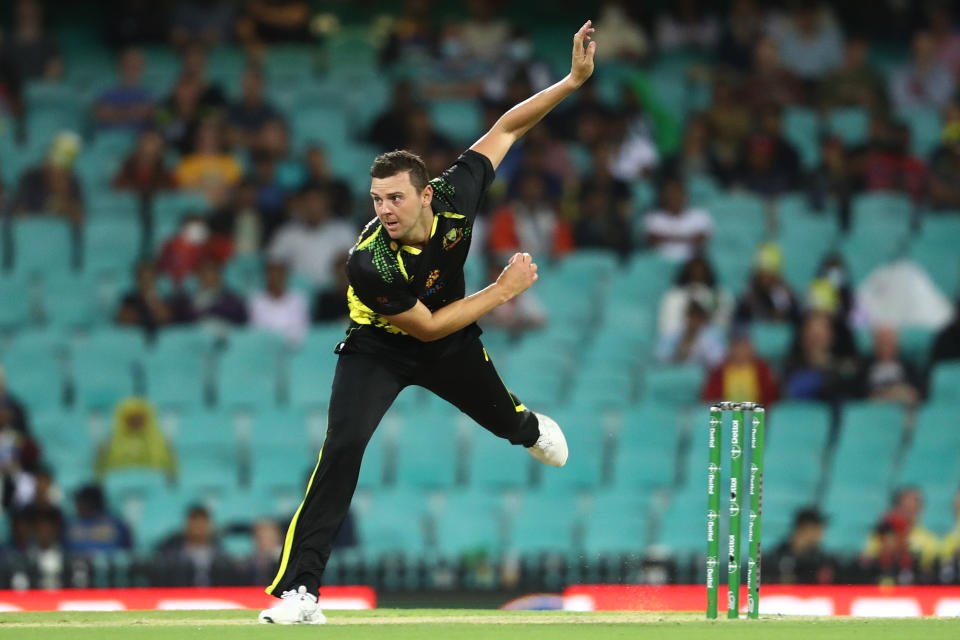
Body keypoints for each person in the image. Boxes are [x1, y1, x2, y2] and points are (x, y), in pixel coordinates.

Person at [258, 21, 596, 625]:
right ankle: (300, 593)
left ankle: (526, 426)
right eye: (376, 199)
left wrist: (571, 81)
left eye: (395, 198)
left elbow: (509, 127)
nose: (384, 210)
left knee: (509, 425)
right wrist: (502, 291)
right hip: (380, 348)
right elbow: (428, 327)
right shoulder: (370, 263)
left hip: (451, 343)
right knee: (342, 448)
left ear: (425, 196)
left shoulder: (457, 193)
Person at [267, 184, 357, 290]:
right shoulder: (286, 233)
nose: (312, 207)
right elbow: (273, 265)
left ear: (327, 203)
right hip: (298, 296)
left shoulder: (344, 231)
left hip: (335, 295)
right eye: (308, 201)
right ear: (300, 204)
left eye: (317, 201)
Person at [11, 131, 85, 224]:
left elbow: (80, 215)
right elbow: (20, 212)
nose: (58, 171)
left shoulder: (72, 180)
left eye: (63, 169)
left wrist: (62, 193)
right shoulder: (30, 178)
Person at [95, 397, 176, 480]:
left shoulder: (161, 443)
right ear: (122, 419)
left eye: (140, 418)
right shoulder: (109, 444)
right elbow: (101, 474)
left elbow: (170, 472)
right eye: (132, 418)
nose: (136, 422)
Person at [643, 176, 713, 261]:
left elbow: (701, 240)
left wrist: (666, 238)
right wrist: (689, 237)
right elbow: (653, 240)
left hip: (690, 262)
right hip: (660, 262)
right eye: (669, 193)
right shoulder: (652, 217)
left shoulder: (700, 215)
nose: (673, 196)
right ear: (663, 196)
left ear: (684, 193)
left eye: (677, 191)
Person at [702, 329, 778, 406]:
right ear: (731, 349)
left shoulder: (762, 369)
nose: (741, 350)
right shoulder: (719, 372)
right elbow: (711, 399)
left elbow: (771, 396)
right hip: (727, 414)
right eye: (737, 346)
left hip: (756, 414)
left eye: (745, 346)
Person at [765, 507, 836, 584]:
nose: (821, 534)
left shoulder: (823, 560)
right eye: (817, 528)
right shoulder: (775, 558)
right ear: (803, 528)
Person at [93, 46, 154, 133]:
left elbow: (152, 113)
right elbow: (101, 113)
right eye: (128, 64)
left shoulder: (150, 93)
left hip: (140, 140)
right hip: (109, 137)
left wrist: (116, 112)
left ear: (142, 66)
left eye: (136, 64)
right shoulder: (105, 91)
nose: (132, 68)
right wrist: (135, 112)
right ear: (119, 66)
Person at [856, 326, 923, 405]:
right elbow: (856, 393)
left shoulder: (910, 366)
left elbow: (920, 392)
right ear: (875, 344)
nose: (885, 346)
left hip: (902, 405)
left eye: (888, 341)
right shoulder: (862, 367)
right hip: (873, 405)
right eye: (882, 341)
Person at [248, 261, 310, 346]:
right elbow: (257, 331)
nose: (276, 277)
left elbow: (302, 330)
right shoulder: (256, 301)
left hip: (294, 347)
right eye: (272, 274)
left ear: (286, 275)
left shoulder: (299, 299)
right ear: (266, 276)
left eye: (280, 273)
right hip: (265, 348)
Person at [655, 300, 726, 369]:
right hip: (675, 374)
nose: (693, 320)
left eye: (697, 317)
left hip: (701, 376)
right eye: (691, 316)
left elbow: (717, 361)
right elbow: (660, 358)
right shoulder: (674, 333)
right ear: (686, 316)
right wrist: (679, 350)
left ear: (704, 318)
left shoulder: (712, 336)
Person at [65, 484, 133, 554]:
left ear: (91, 503)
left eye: (81, 501)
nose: (77, 505)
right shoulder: (71, 524)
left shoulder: (116, 523)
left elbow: (128, 548)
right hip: (75, 563)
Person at [111, 129, 177, 197]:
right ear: (138, 149)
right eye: (145, 145)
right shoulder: (126, 173)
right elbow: (118, 193)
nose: (149, 149)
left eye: (154, 147)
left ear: (160, 152)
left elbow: (171, 194)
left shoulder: (166, 176)